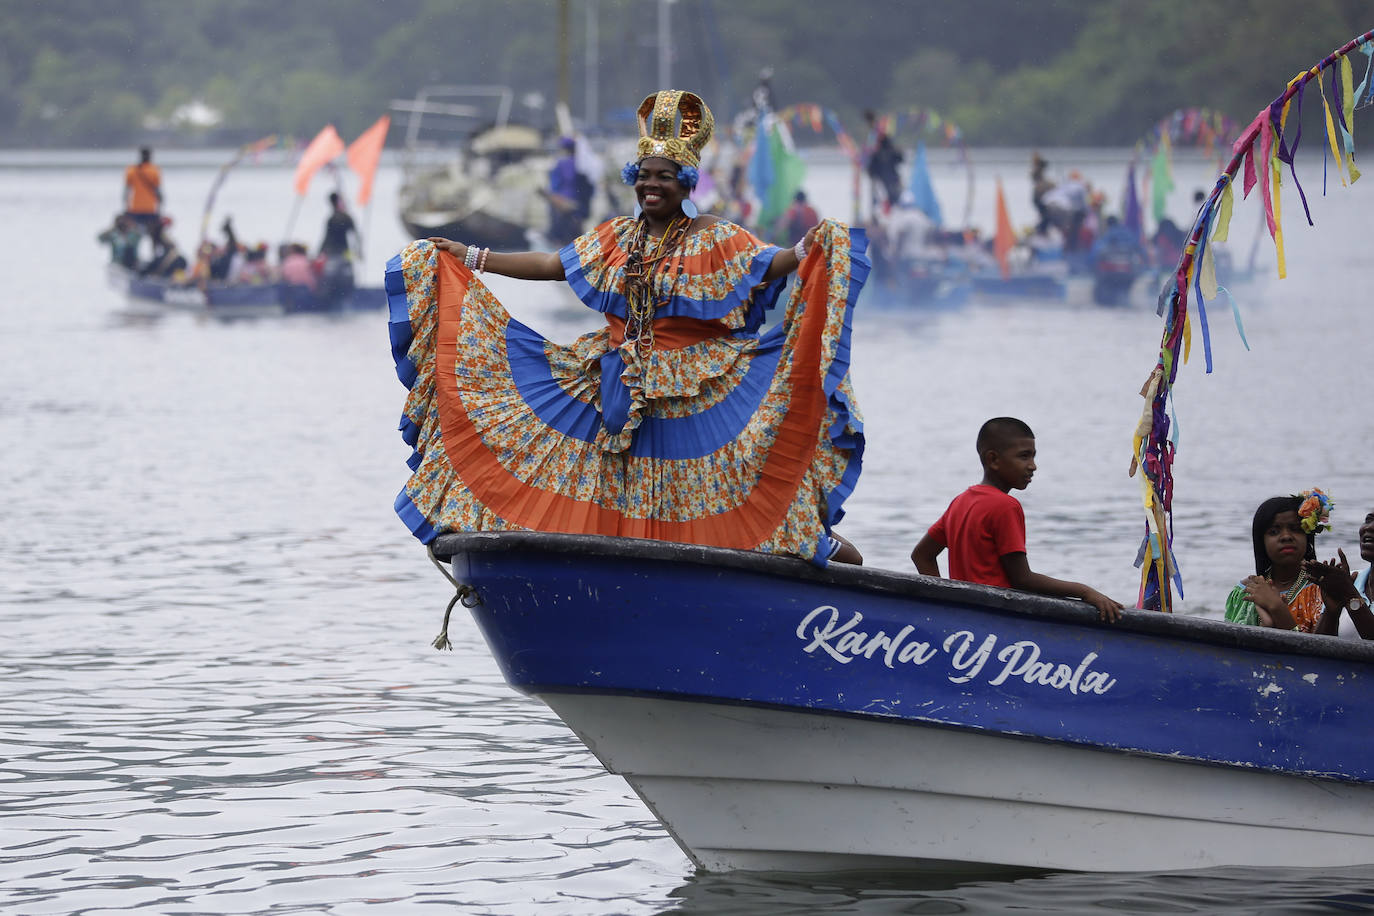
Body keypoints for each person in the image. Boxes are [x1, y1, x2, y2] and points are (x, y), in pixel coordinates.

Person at [389, 89, 867, 567]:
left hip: (694, 389)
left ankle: (809, 549)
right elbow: (553, 263)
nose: (651, 186)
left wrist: (809, 248)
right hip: (614, 381)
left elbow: (768, 263)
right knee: (591, 473)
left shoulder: (717, 237)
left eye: (663, 177)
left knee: (715, 483)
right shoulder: (617, 235)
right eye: (643, 177)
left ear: (685, 184)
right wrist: (472, 257)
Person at [910, 417, 1123, 622]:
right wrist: (1084, 591)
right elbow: (1022, 579)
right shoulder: (1005, 506)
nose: (1033, 466)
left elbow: (922, 555)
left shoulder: (961, 501)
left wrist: (945, 600)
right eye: (1024, 456)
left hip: (967, 618)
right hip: (997, 621)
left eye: (1033, 456)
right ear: (993, 459)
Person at [1223, 491, 1336, 633]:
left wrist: (1277, 609)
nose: (1286, 537)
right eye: (1274, 532)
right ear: (1261, 541)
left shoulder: (1321, 591)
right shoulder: (1245, 591)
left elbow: (1321, 649)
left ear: (1308, 537)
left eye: (1295, 529)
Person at [1305, 507, 1374, 639]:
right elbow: (1318, 650)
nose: (1369, 527)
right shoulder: (1351, 580)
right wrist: (1332, 612)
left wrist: (1349, 595)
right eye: (1368, 520)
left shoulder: (1346, 586)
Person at [545, 136, 593, 245]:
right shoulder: (582, 163)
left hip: (561, 200)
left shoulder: (560, 163)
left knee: (560, 231)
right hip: (578, 201)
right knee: (575, 231)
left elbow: (555, 184)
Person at [318, 191, 358, 301]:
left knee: (330, 277)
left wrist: (320, 252)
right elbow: (355, 235)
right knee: (347, 275)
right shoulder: (346, 217)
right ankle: (346, 295)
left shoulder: (333, 219)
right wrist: (359, 251)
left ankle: (328, 297)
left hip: (334, 252)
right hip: (345, 252)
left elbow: (326, 238)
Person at [123, 147, 162, 234]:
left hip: (135, 209)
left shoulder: (131, 170)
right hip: (150, 209)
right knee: (154, 235)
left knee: (134, 234)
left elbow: (126, 192)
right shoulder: (154, 170)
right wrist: (159, 210)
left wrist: (126, 209)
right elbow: (158, 193)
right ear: (150, 156)